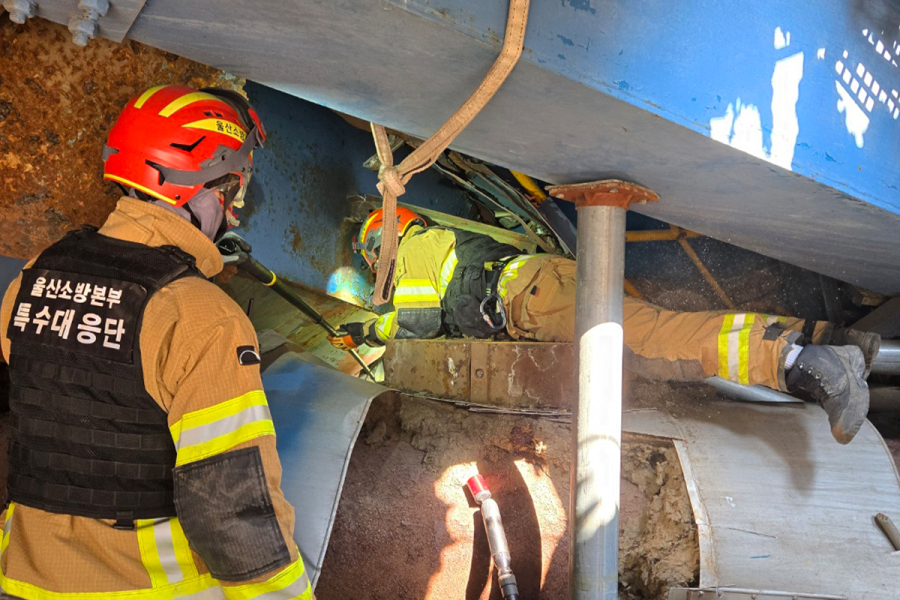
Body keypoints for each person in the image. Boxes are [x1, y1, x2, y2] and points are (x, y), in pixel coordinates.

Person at [0, 85, 313, 599]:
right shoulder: (202, 316)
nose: (233, 212)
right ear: (203, 189)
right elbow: (232, 509)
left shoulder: (31, 279)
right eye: (234, 191)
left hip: (22, 579)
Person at [332, 207, 879, 445]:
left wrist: (374, 349)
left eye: (372, 254)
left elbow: (418, 330)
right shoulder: (436, 251)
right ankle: (837, 344)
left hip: (534, 300)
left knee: (653, 342)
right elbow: (412, 321)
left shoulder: (418, 250)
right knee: (659, 332)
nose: (376, 265)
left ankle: (806, 365)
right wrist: (366, 334)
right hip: (540, 294)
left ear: (388, 240)